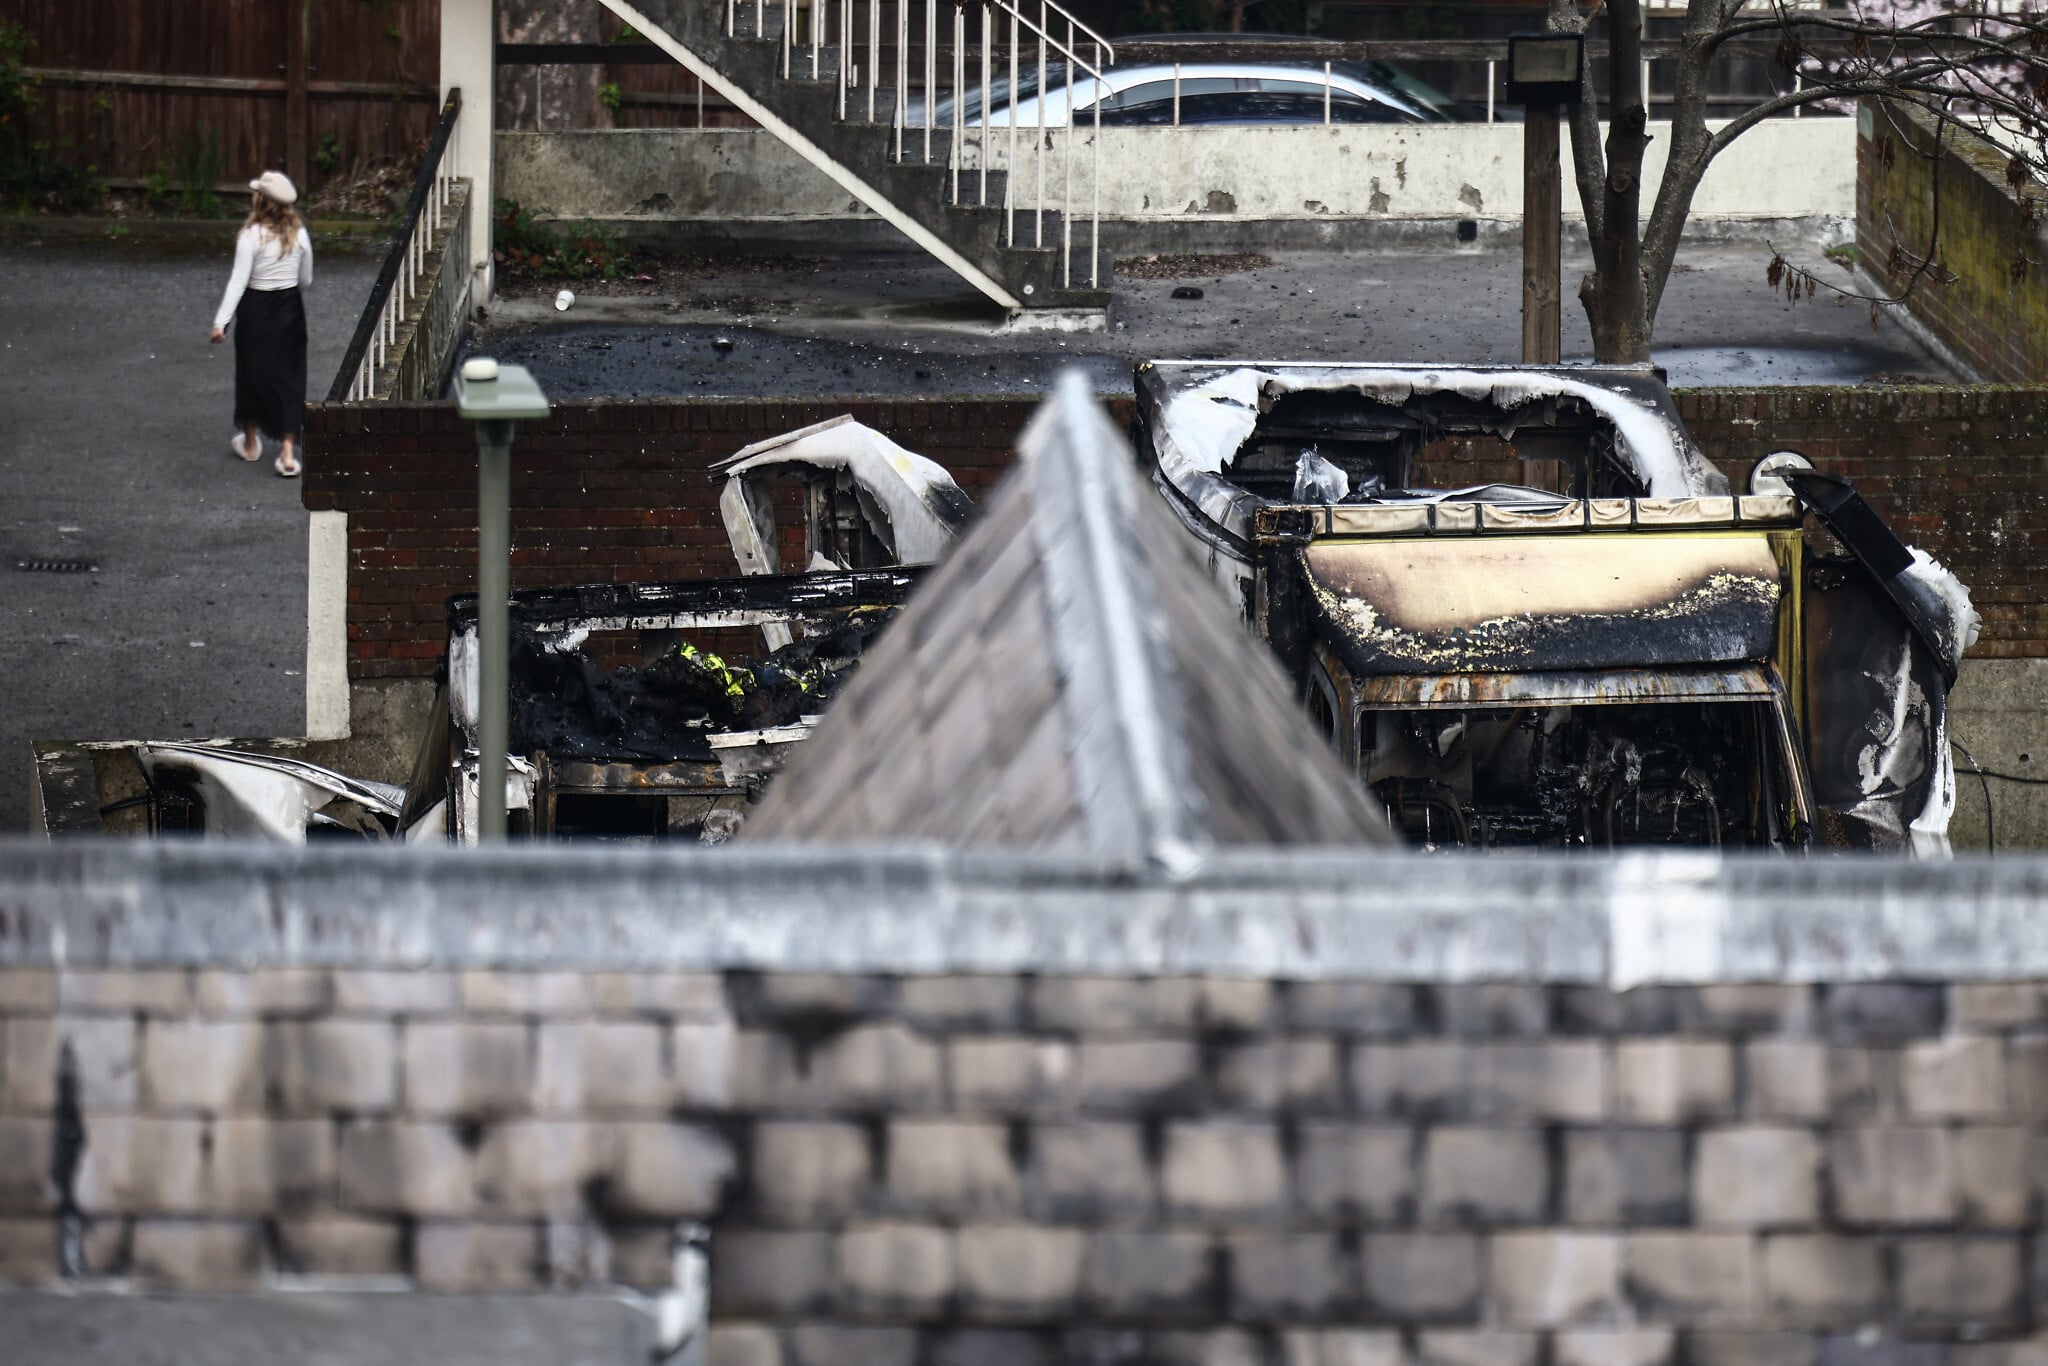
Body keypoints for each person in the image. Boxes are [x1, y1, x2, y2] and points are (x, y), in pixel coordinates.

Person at [210, 171, 312, 478]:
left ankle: (251, 442)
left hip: (255, 310)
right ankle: (288, 453)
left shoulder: (250, 236)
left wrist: (221, 322)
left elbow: (237, 283)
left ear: (260, 201)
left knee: (252, 373)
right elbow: (306, 279)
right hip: (289, 310)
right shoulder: (300, 235)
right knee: (290, 377)